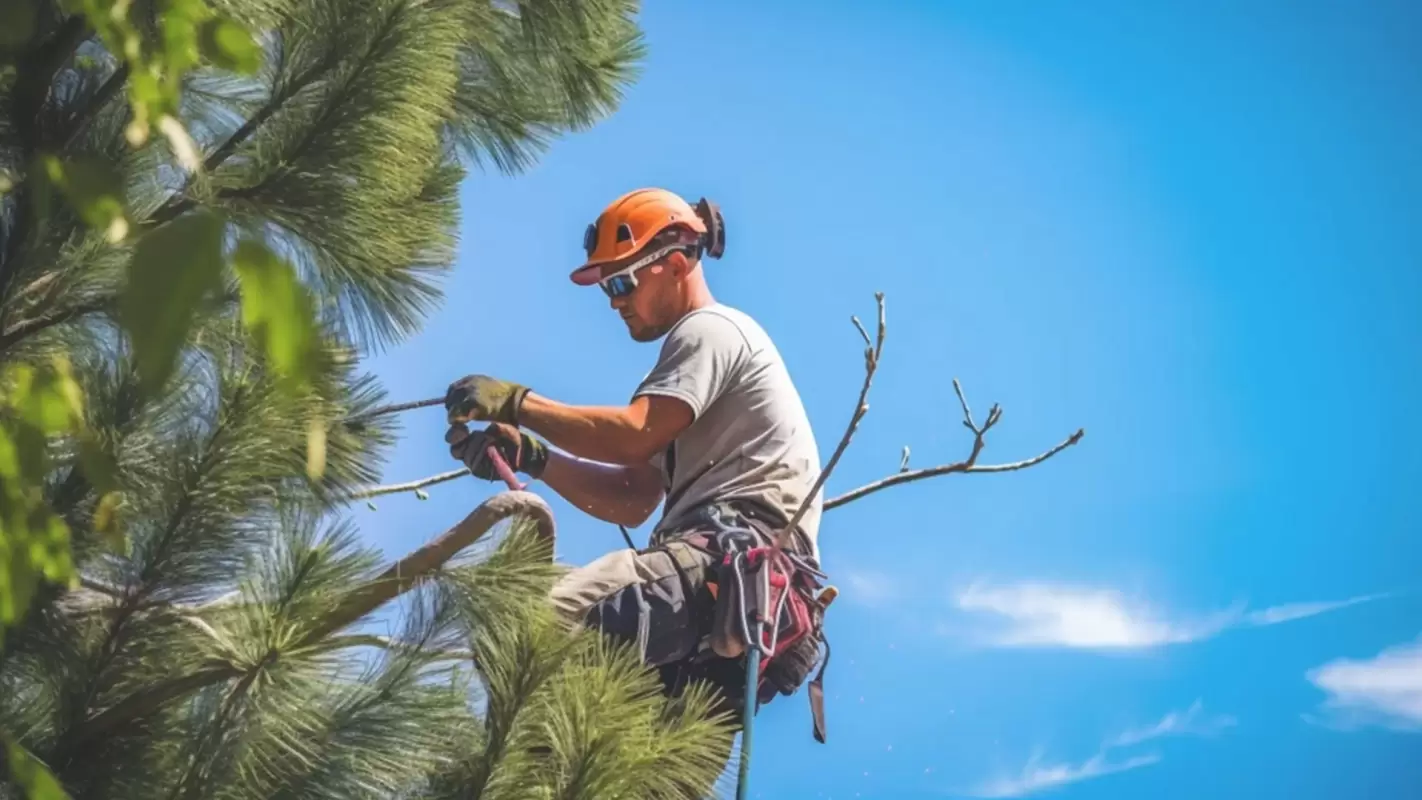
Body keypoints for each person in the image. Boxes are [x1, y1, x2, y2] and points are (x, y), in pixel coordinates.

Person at [442, 187, 823, 718]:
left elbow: (633, 433)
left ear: (671, 265)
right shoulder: (682, 372)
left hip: (720, 565)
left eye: (621, 281)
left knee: (531, 635)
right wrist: (534, 457)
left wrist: (516, 403)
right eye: (606, 288)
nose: (615, 299)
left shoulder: (709, 331)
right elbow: (633, 497)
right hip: (728, 614)